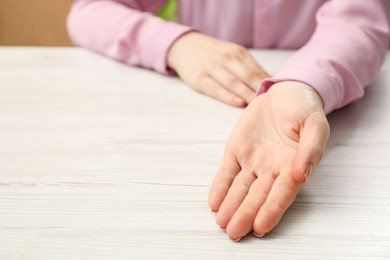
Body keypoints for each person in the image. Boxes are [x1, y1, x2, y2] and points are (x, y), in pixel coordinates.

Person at [67, 0, 390, 241]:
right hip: (184, 118)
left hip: (327, 122)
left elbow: (359, 23)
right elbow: (90, 11)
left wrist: (304, 84)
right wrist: (178, 45)